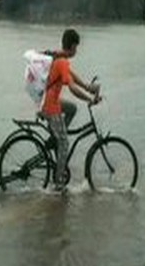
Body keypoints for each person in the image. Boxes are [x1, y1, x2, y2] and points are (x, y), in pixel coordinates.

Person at [41, 29, 101, 191]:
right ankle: (58, 184)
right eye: (77, 47)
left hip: (48, 101)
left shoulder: (61, 58)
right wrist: (89, 99)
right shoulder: (62, 62)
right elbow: (73, 88)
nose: (77, 50)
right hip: (50, 107)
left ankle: (57, 136)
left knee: (72, 108)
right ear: (73, 46)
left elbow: (72, 77)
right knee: (65, 143)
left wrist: (89, 87)